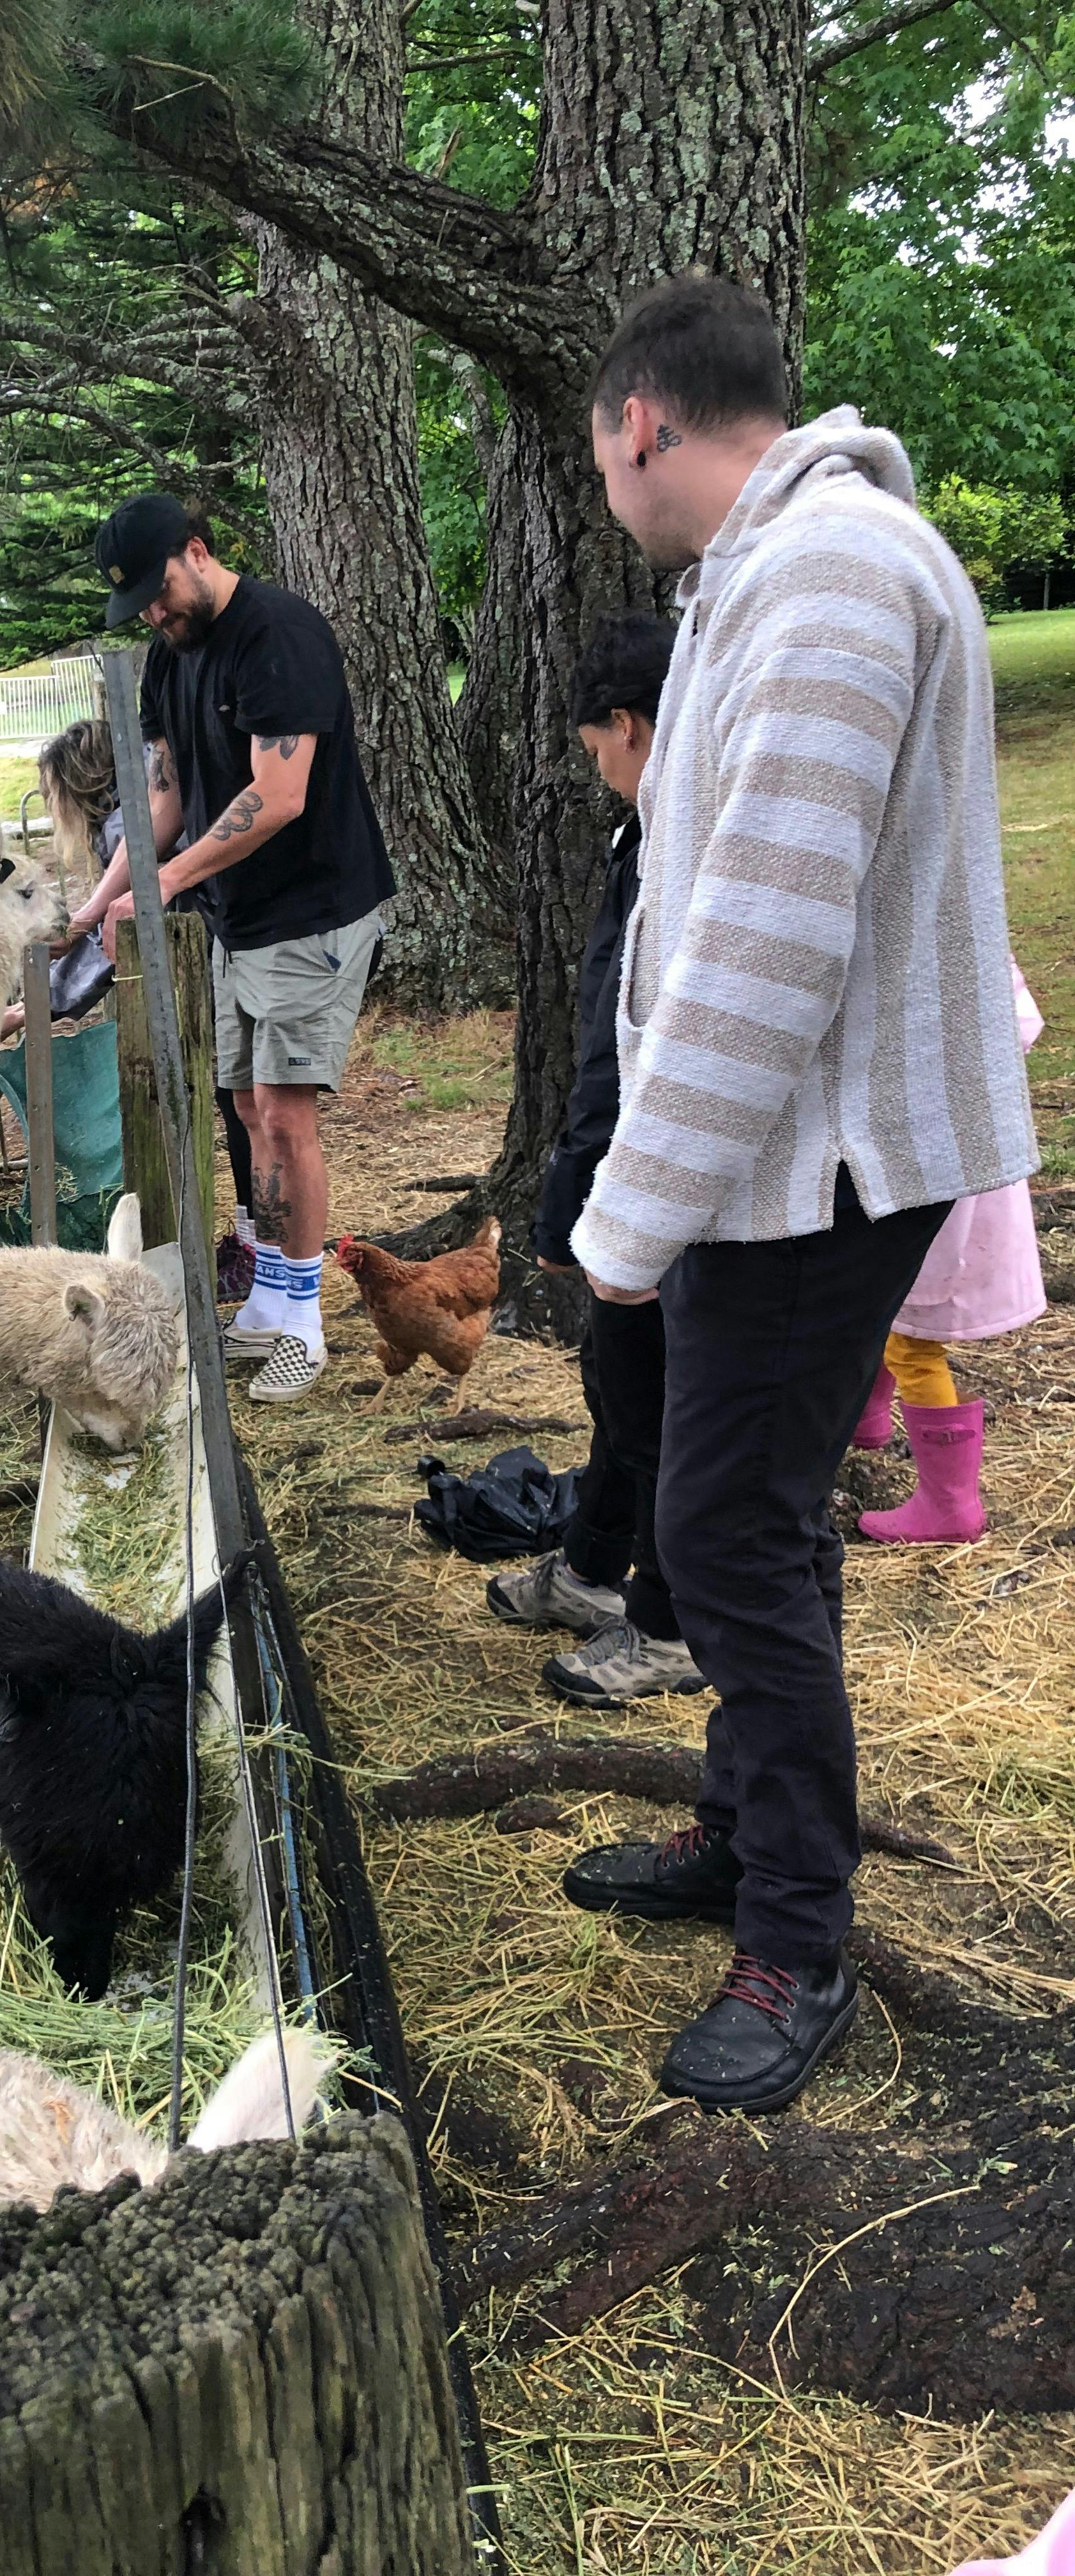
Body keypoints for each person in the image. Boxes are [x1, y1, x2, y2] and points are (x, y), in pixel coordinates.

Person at [561, 276, 1037, 2115]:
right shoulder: (773, 572)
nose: (607, 485)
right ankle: (746, 1826)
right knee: (726, 1516)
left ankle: (799, 1936)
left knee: (736, 1535)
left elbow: (765, 941)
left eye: (602, 459)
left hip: (814, 1172)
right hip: (774, 1162)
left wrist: (626, 1220)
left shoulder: (835, 571)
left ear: (641, 426)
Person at [68, 495, 395, 1402]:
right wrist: (100, 898)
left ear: (198, 553)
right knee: (250, 1109)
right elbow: (165, 801)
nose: (155, 616)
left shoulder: (278, 635)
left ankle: (303, 1323)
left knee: (287, 1116)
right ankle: (269, 1301)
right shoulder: (172, 661)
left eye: (160, 593)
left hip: (313, 912)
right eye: (138, 608)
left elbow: (278, 794)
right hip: (240, 919)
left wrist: (169, 882)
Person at [487, 612, 704, 1707]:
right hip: (624, 1152)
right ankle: (588, 1568)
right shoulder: (647, 830)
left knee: (652, 1395)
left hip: (656, 1164)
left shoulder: (681, 835)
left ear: (624, 724)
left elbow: (628, 1043)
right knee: (615, 1382)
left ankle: (667, 1624)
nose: (598, 773)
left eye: (594, 751)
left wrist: (577, 1179)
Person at [38, 714, 259, 1297]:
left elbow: (115, 943)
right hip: (219, 952)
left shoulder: (126, 829)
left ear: (72, 784)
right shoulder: (130, 816)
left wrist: (49, 1004)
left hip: (207, 960)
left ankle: (253, 1243)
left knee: (238, 1103)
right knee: (238, 1101)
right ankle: (250, 1238)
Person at [850, 958, 1046, 1544]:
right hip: (968, 1180)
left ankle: (949, 1503)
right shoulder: (982, 961)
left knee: (913, 1340)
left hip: (938, 1195)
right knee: (890, 1313)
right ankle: (865, 1420)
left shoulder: (932, 1000)